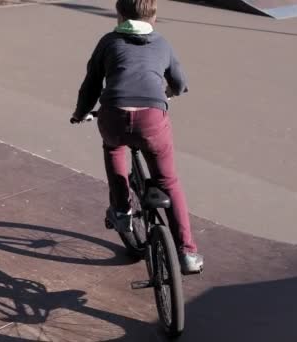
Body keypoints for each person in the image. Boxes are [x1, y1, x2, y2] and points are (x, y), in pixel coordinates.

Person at [71, 0, 203, 273]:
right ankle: (188, 252)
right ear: (153, 19)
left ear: (119, 16)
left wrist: (80, 113)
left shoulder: (108, 42)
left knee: (114, 148)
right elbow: (179, 82)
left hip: (114, 113)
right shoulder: (162, 44)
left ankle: (121, 211)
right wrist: (169, 93)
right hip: (151, 119)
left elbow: (91, 84)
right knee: (168, 180)